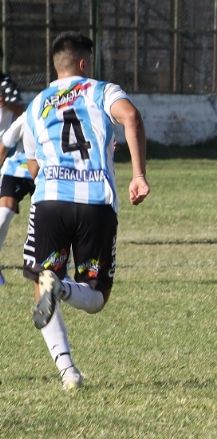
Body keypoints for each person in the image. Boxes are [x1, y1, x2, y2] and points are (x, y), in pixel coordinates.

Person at [21, 32, 150, 390]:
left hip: (49, 202)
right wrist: (138, 175)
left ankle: (68, 372)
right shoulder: (101, 90)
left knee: (40, 279)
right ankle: (61, 289)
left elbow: (33, 162)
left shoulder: (37, 104)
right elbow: (132, 119)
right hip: (95, 203)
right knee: (96, 296)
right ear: (83, 64)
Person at [0, 73, 29, 285]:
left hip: (20, 163)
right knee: (5, 210)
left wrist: (8, 104)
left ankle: (59, 267)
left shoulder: (5, 84)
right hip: (11, 163)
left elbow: (22, 111)